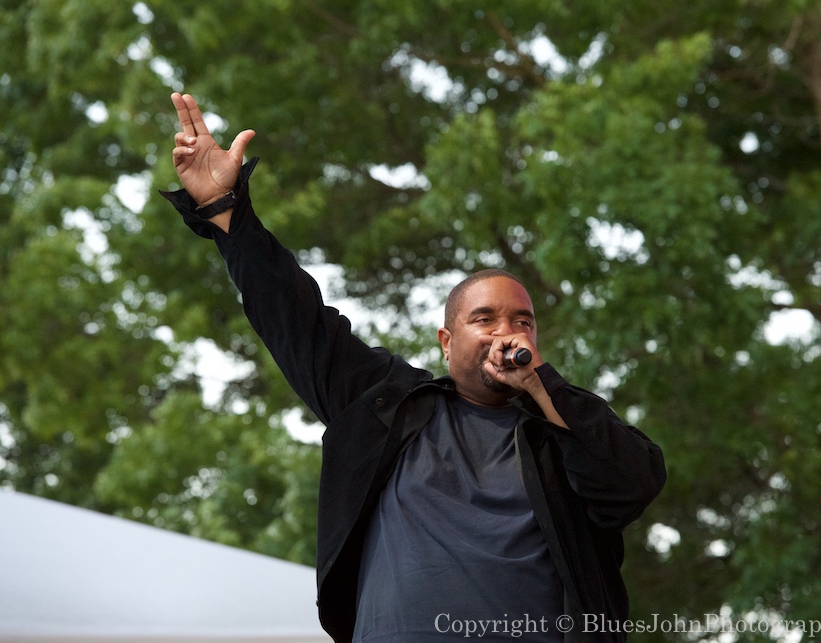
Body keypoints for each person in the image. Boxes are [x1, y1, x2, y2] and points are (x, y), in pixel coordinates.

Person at [162, 92, 666, 642]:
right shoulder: (389, 407)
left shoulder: (559, 435)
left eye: (522, 321)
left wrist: (544, 387)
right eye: (485, 318)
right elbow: (295, 319)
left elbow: (631, 485)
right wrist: (225, 210)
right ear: (447, 342)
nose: (507, 332)